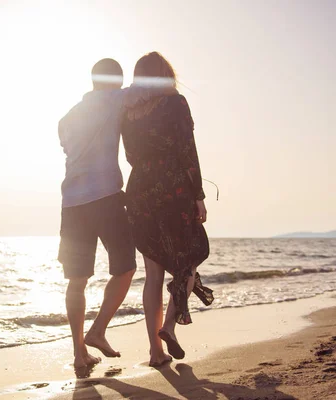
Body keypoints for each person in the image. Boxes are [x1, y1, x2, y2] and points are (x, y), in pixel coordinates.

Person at [121, 52, 214, 367]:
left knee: (153, 275)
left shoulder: (128, 112)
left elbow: (130, 155)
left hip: (139, 190)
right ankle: (169, 327)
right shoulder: (175, 103)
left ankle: (154, 352)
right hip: (173, 188)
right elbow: (188, 150)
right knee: (190, 257)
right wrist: (198, 193)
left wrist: (147, 171)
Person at [57, 58, 138, 374]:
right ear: (116, 81)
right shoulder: (116, 98)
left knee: (76, 281)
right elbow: (144, 92)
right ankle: (98, 330)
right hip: (105, 196)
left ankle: (80, 353)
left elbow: (67, 148)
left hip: (72, 204)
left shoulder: (66, 119)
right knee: (126, 266)